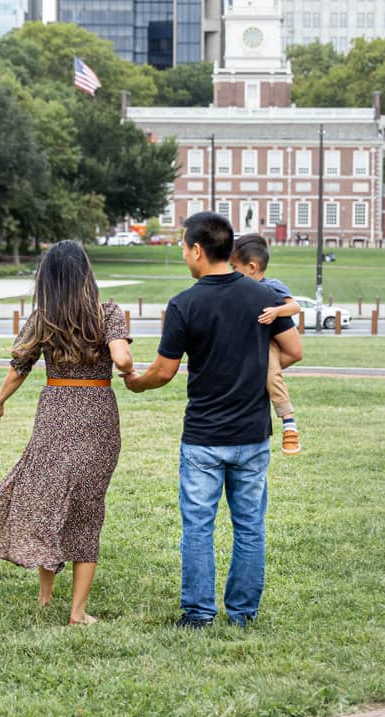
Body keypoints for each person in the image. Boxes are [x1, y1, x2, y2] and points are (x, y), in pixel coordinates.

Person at [125, 212, 303, 629]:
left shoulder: (185, 304)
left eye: (185, 247)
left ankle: (199, 613)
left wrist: (135, 383)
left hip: (204, 436)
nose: (185, 254)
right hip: (253, 433)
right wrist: (260, 365)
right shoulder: (262, 296)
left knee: (199, 529)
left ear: (198, 251)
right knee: (250, 528)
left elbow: (164, 372)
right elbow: (293, 351)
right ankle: (242, 614)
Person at [0, 240, 134, 625]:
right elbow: (122, 358)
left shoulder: (42, 318)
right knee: (88, 509)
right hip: (97, 414)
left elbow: (19, 366)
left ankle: (44, 597)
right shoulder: (108, 313)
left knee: (51, 500)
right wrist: (126, 364)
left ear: (48, 279)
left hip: (54, 411)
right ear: (87, 274)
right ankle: (77, 612)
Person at [229, 235, 302, 455]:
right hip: (246, 345)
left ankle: (289, 423)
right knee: (266, 374)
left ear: (251, 267)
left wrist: (276, 311)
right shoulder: (237, 289)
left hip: (268, 342)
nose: (232, 271)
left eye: (234, 267)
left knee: (271, 374)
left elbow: (295, 306)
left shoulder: (271, 287)